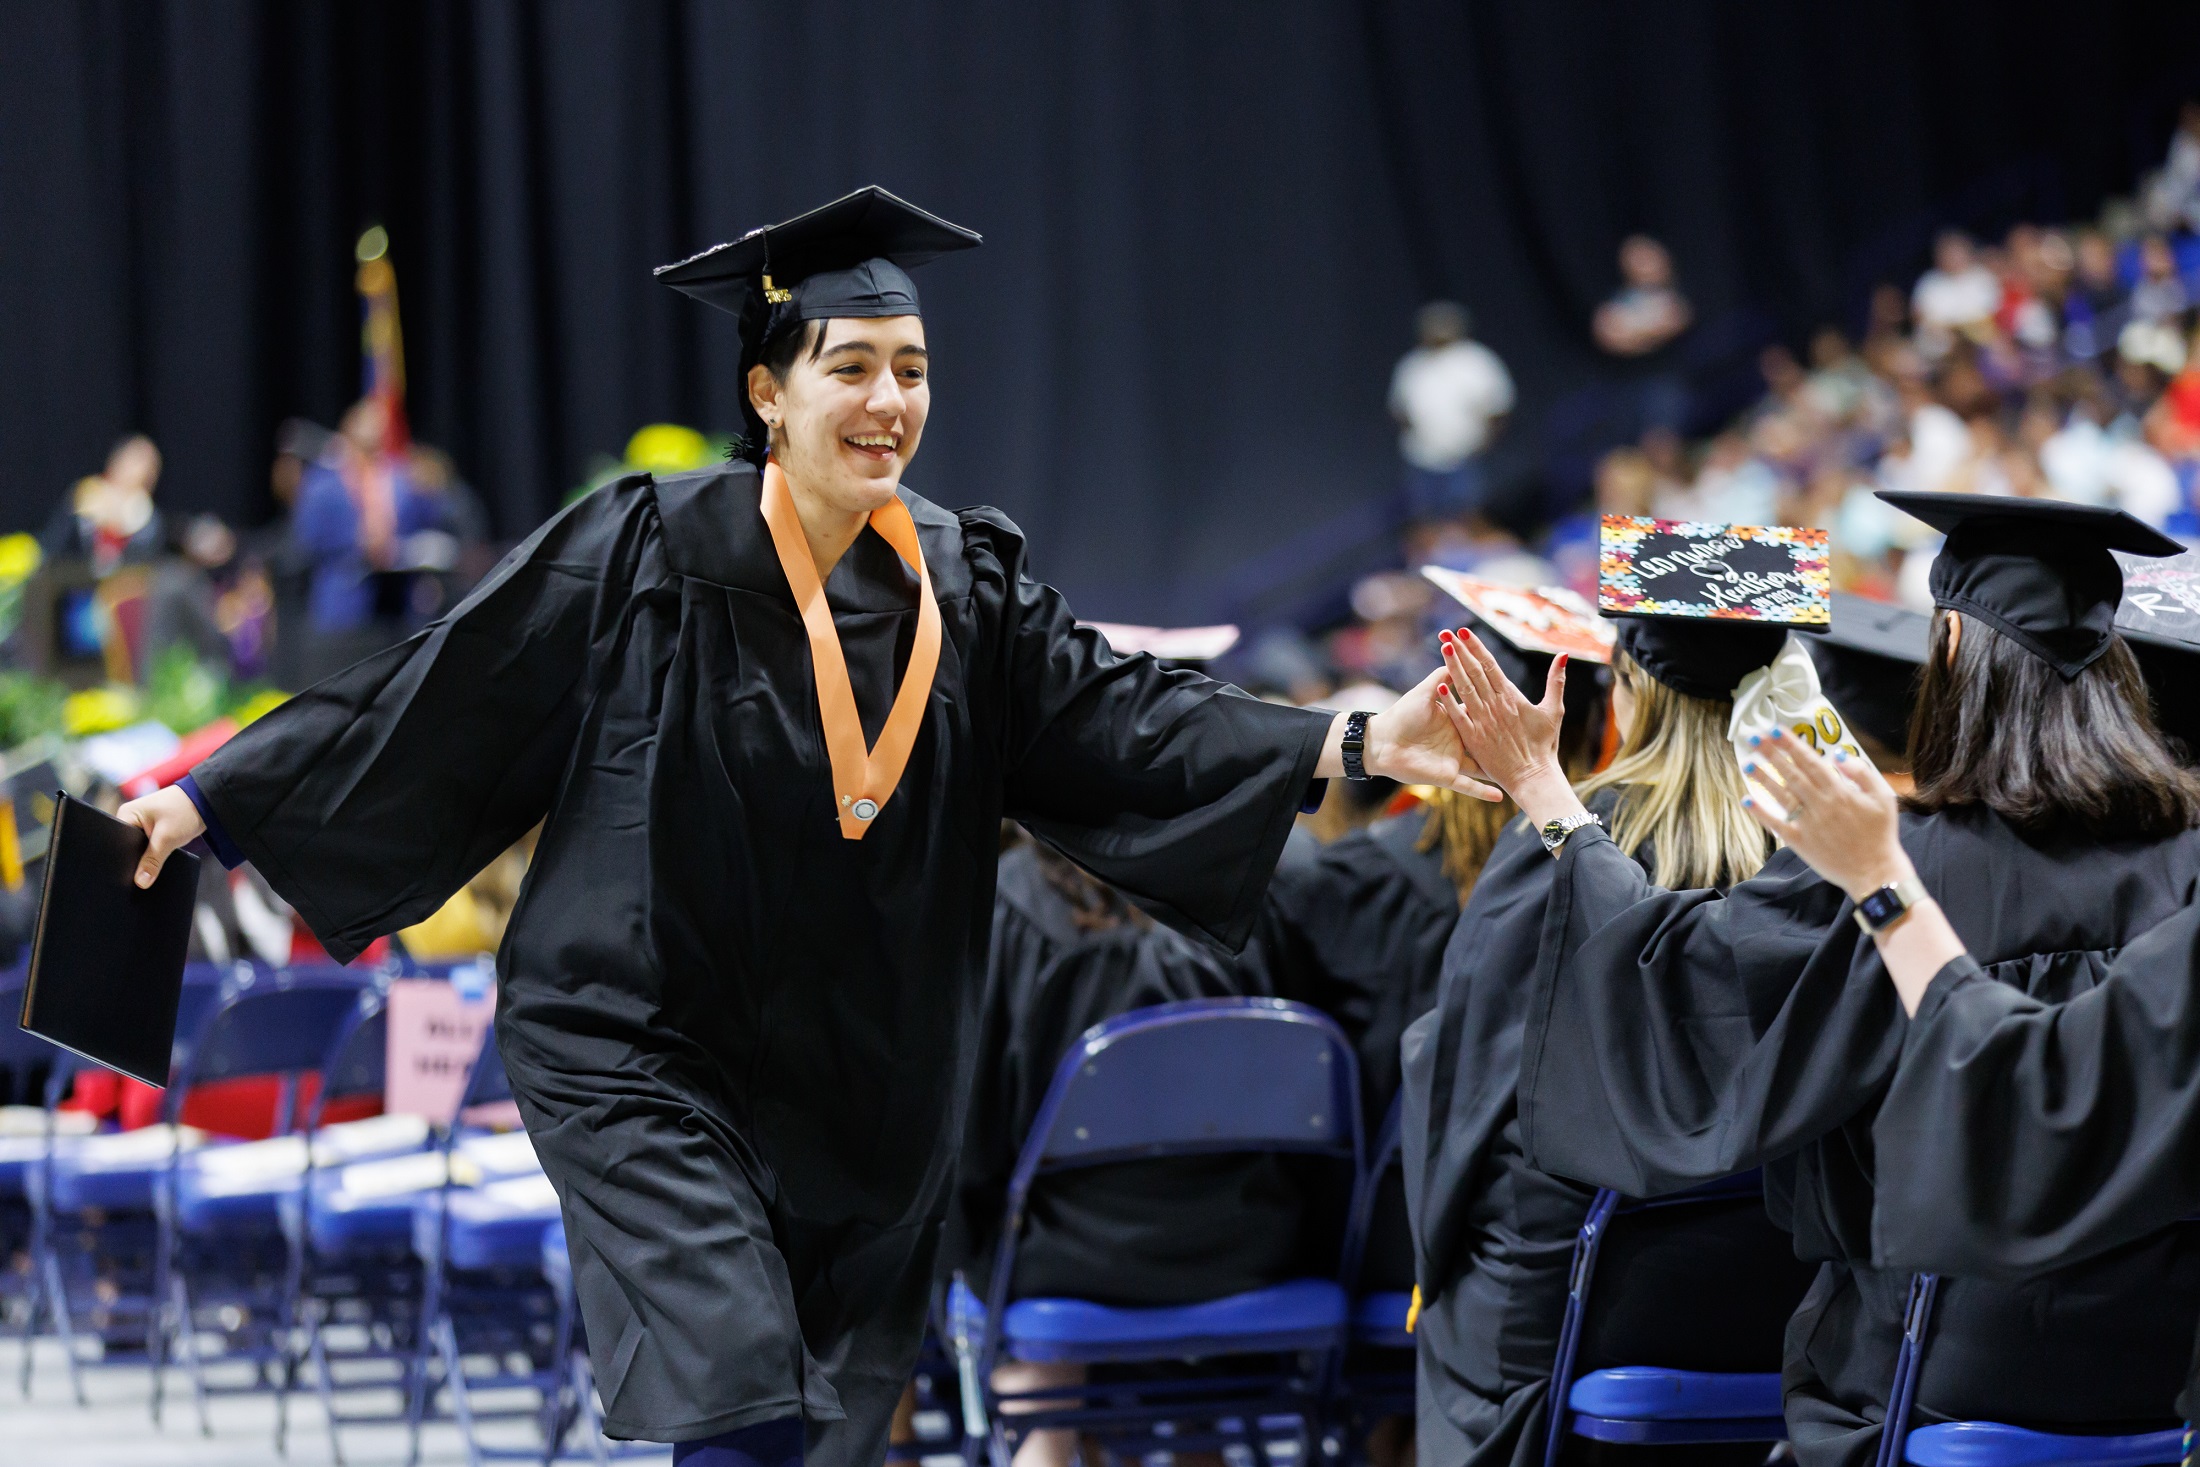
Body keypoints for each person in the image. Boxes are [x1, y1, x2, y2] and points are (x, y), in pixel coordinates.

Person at [114, 187, 1493, 1467]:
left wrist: (1363, 736)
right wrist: (212, 797)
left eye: (912, 367)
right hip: (643, 1040)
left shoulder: (968, 581)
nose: (890, 398)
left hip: (861, 1068)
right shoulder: (649, 551)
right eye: (852, 366)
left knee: (825, 1417)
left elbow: (1123, 716)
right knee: (741, 1377)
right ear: (768, 390)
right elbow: (445, 688)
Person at [1438, 492, 2200, 1466]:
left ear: (1954, 653)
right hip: (2161, 1375)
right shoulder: (2185, 872)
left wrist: (1549, 801)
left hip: (1916, 1378)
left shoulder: (1884, 863)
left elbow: (1677, 995)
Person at [1404, 543, 1823, 1467]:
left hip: (1579, 1304)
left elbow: (1471, 1088)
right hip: (1787, 1291)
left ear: (1627, 684)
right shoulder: (1822, 852)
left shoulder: (1563, 842)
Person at [950, 830, 1310, 1467]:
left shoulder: (1013, 902)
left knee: (978, 1273)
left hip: (1067, 1263)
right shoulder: (1252, 889)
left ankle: (1049, 1438)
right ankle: (1198, 1437)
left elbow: (974, 1130)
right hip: (1246, 1249)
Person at [1389, 302, 1516, 523]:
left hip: (1465, 457)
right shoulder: (1413, 364)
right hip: (1422, 458)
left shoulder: (1475, 360)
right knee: (1425, 520)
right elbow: (1399, 409)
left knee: (1467, 518)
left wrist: (1484, 443)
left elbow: (1499, 408)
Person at [42, 434, 166, 577]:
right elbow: (56, 541)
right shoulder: (87, 493)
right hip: (75, 577)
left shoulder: (148, 516)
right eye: (133, 460)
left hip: (122, 583)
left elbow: (147, 559)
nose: (135, 469)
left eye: (146, 464)